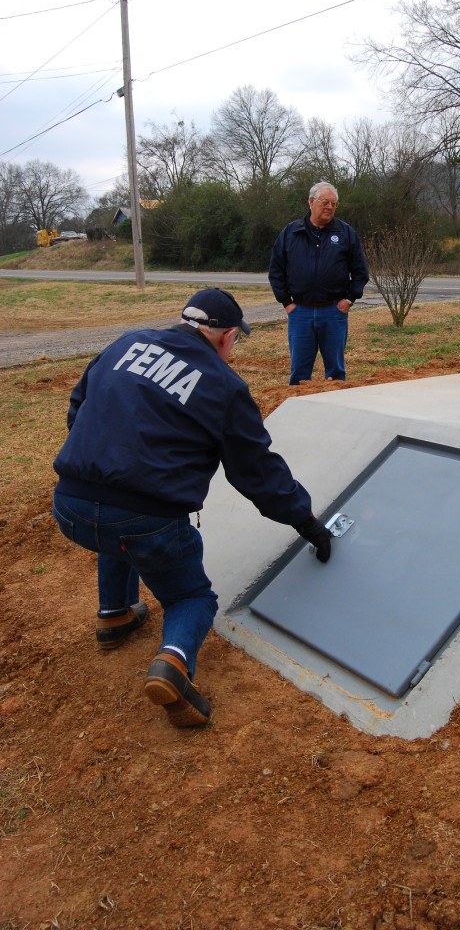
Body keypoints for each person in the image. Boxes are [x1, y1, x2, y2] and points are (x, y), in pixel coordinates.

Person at [52, 288, 332, 729]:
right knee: (190, 596)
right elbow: (257, 471)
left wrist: (101, 462)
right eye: (235, 341)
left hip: (70, 505)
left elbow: (78, 405)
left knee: (118, 531)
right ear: (224, 338)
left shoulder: (126, 343)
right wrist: (304, 519)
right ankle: (174, 666)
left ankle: (115, 615)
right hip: (145, 520)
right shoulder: (223, 386)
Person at [268, 181, 369, 385]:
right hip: (300, 313)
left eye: (334, 203)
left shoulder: (345, 233)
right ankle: (298, 414)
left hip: (333, 313)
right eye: (325, 202)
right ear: (311, 202)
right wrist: (287, 302)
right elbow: (276, 271)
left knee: (336, 374)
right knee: (299, 374)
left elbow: (360, 271)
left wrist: (349, 299)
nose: (329, 207)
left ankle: (336, 413)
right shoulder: (290, 233)